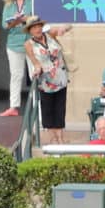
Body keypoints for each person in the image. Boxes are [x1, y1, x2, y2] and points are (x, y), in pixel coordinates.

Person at [23, 15, 72, 144]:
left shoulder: (49, 34)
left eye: (39, 26)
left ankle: (60, 138)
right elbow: (34, 61)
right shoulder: (28, 44)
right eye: (34, 28)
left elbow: (69, 26)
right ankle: (54, 138)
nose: (37, 29)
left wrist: (63, 29)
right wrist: (37, 68)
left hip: (60, 77)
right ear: (30, 31)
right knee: (48, 110)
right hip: (46, 81)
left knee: (60, 108)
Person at [0, 0, 33, 116]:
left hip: (31, 41)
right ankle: (13, 106)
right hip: (14, 43)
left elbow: (38, 17)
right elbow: (4, 25)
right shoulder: (9, 4)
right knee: (16, 75)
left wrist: (26, 19)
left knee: (35, 74)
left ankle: (38, 105)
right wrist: (15, 21)